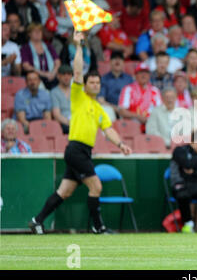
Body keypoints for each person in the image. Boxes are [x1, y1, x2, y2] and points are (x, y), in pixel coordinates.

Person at [28, 31, 132, 235]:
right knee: (96, 186)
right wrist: (78, 47)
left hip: (83, 151)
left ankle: (37, 221)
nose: (95, 85)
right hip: (76, 149)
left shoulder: (99, 108)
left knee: (64, 192)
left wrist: (120, 145)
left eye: (97, 83)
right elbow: (77, 71)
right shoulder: (78, 96)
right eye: (91, 82)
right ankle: (98, 227)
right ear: (85, 85)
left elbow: (108, 129)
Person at [119, 62, 162, 130]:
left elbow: (160, 111)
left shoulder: (155, 90)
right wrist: (138, 117)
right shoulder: (128, 89)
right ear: (135, 75)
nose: (143, 75)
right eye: (140, 72)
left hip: (152, 125)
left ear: (149, 75)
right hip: (132, 125)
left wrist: (149, 120)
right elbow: (122, 111)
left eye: (146, 72)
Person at [21, 23, 61, 89]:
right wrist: (44, 74)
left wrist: (53, 73)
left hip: (52, 75)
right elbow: (26, 66)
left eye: (39, 31)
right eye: (34, 31)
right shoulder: (25, 48)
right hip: (35, 77)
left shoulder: (48, 46)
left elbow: (58, 62)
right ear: (29, 34)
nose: (38, 33)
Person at [98, 51, 134, 117]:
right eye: (114, 58)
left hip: (127, 110)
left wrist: (124, 111)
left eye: (120, 59)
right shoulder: (104, 79)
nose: (117, 61)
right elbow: (101, 100)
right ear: (110, 62)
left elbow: (134, 99)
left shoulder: (129, 79)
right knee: (106, 111)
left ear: (123, 63)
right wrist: (116, 109)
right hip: (110, 109)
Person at [50, 65, 73, 134]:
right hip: (63, 124)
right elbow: (56, 115)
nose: (66, 77)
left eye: (69, 74)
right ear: (58, 76)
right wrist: (69, 123)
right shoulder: (54, 92)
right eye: (63, 74)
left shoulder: (76, 91)